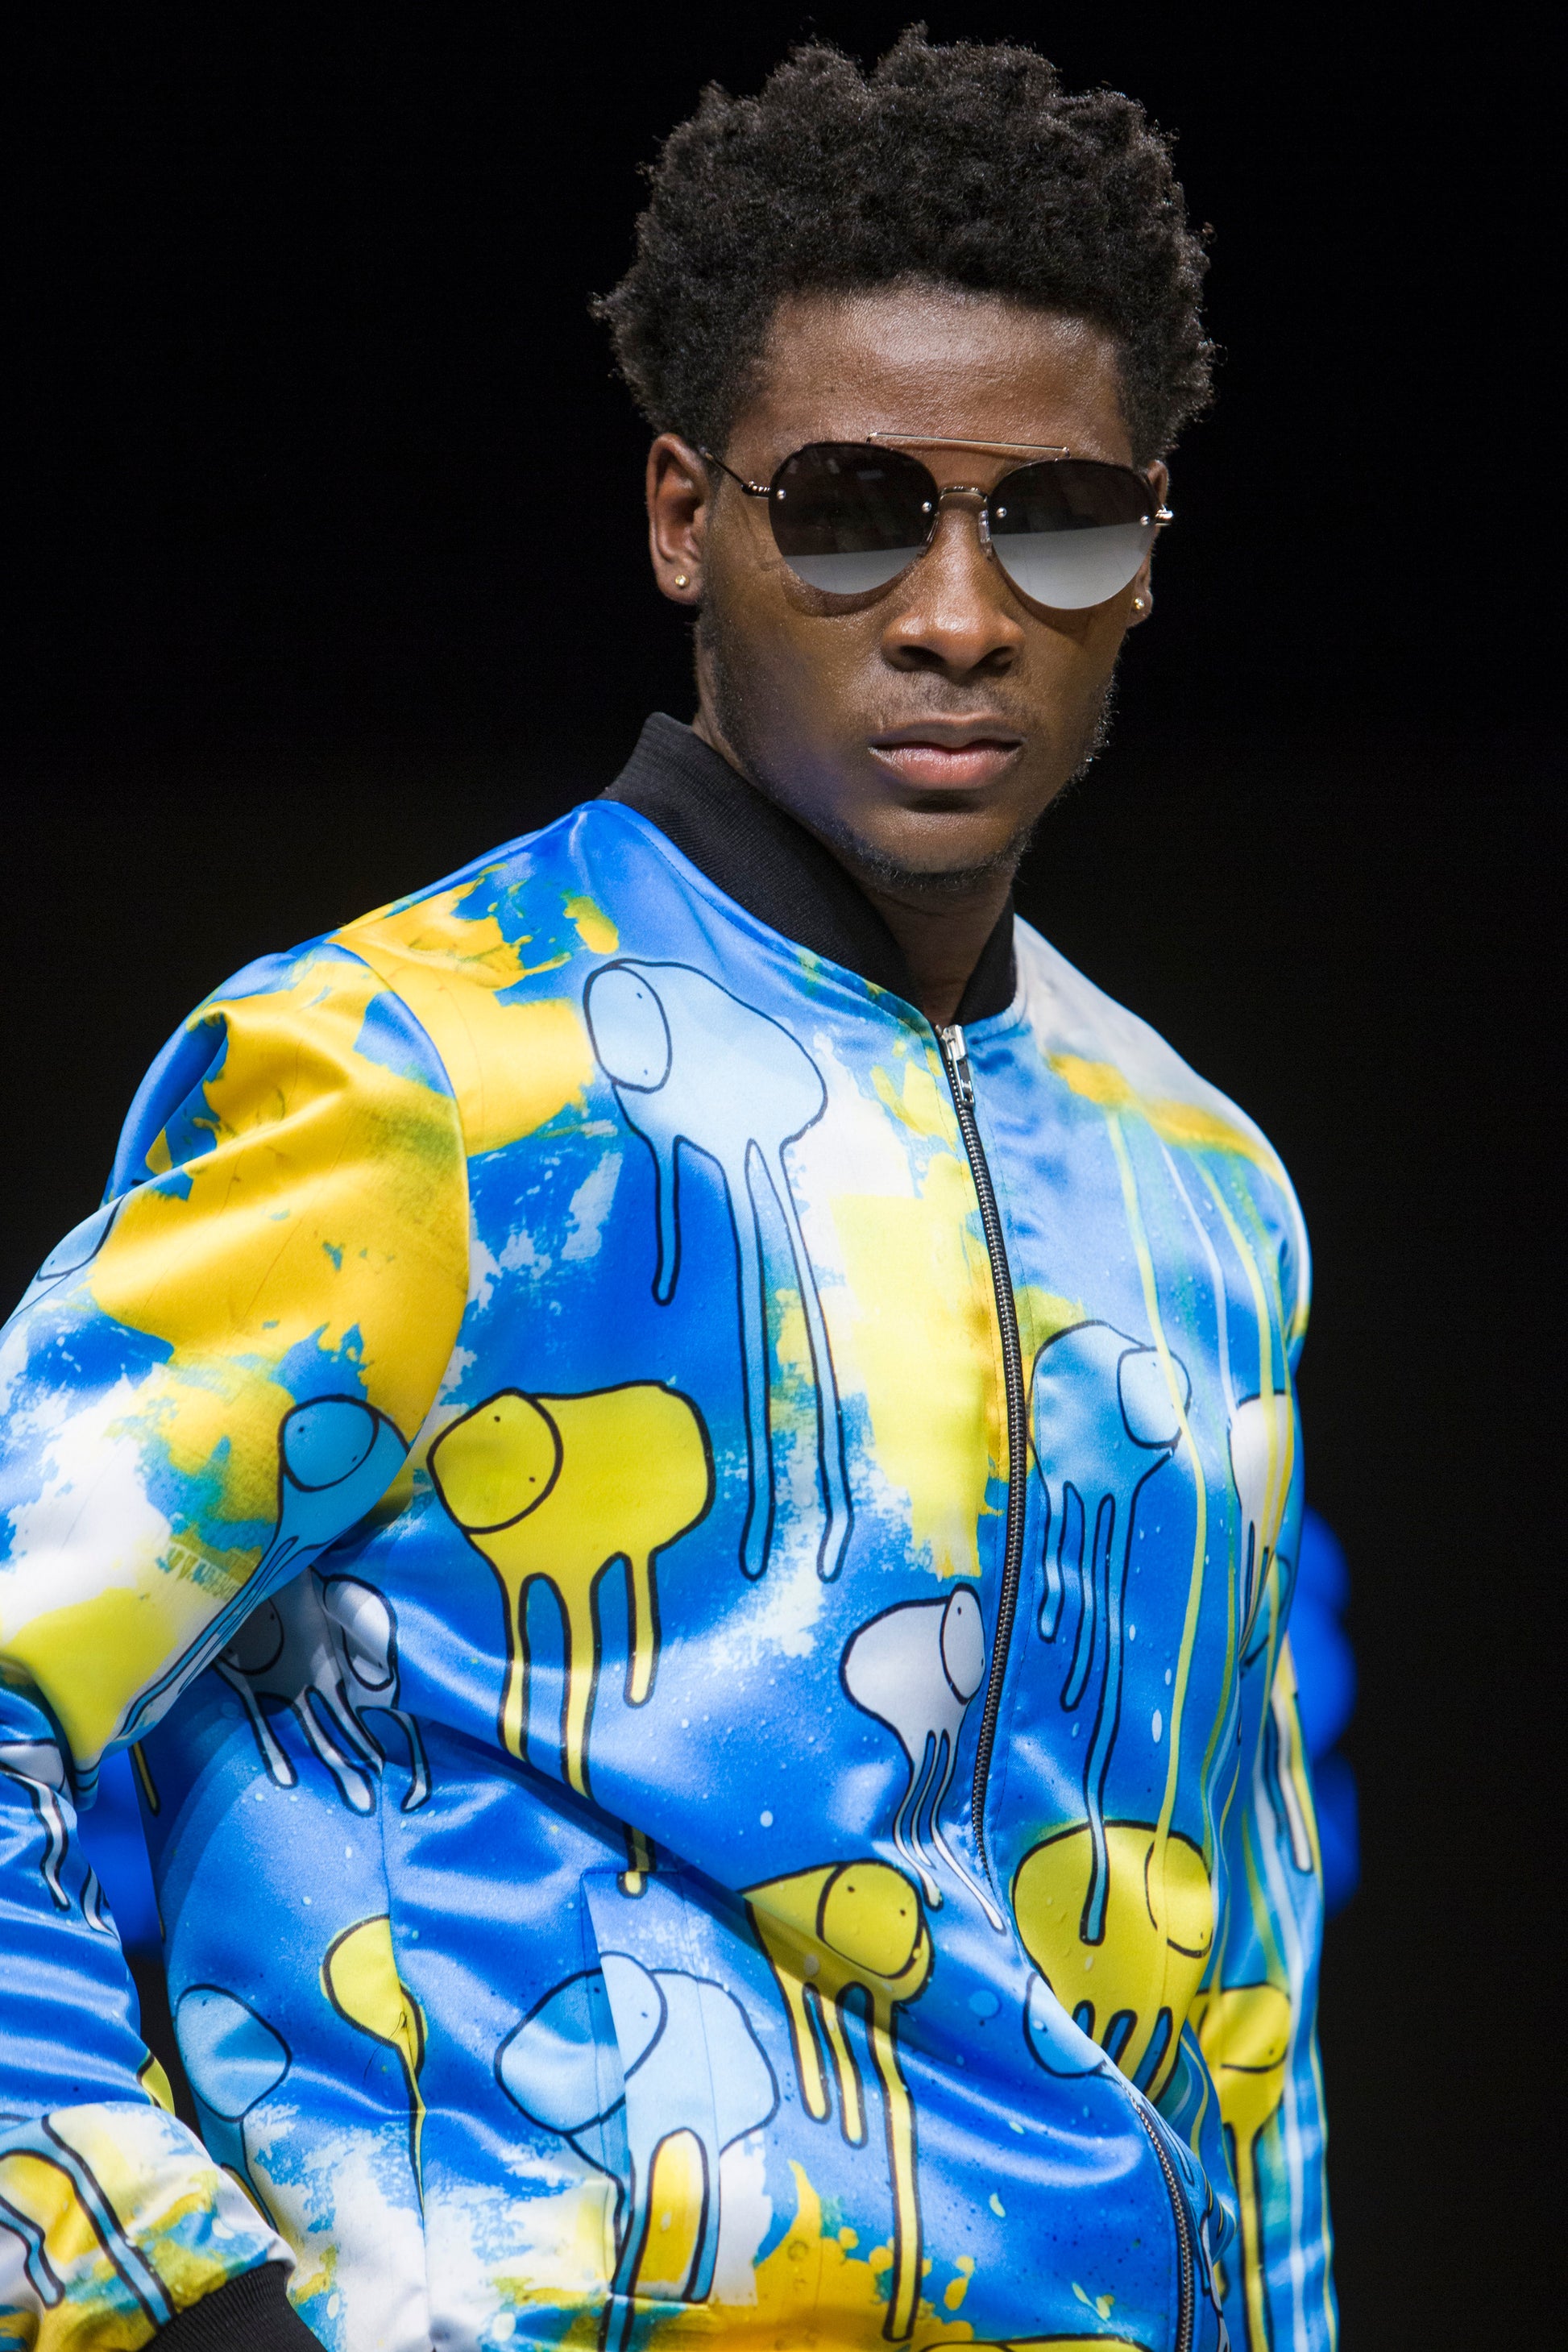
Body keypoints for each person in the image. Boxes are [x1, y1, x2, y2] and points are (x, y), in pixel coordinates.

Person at [0, 33, 1335, 2351]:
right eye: (846, 506)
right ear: (674, 518)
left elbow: (1235, 1985)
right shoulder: (409, 1068)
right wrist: (158, 2300)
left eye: (1056, 517)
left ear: (1143, 563)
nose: (950, 609)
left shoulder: (1195, 1180)